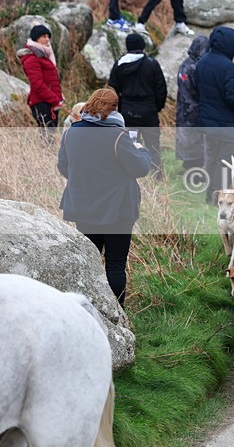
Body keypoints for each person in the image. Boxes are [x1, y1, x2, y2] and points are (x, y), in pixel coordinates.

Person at [57, 87, 152, 307]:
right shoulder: (119, 136)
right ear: (114, 108)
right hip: (118, 210)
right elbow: (140, 168)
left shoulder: (71, 131)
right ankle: (117, 317)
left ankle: (87, 312)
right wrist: (142, 149)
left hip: (83, 207)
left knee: (89, 263)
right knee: (115, 265)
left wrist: (84, 182)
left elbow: (64, 166)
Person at [196, 26, 234, 204]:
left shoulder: (202, 62)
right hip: (227, 125)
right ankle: (222, 199)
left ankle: (210, 197)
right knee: (225, 164)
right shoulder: (228, 66)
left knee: (211, 160)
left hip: (208, 124)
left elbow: (197, 91)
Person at [108, 32, 167, 180]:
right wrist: (157, 107)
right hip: (148, 113)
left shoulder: (119, 64)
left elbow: (112, 90)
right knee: (153, 145)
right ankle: (157, 175)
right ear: (143, 46)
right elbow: (161, 89)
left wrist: (120, 109)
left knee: (130, 144)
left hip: (128, 113)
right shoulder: (152, 64)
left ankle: (131, 174)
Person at [18, 24, 63, 141]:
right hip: (41, 103)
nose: (47, 39)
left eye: (48, 36)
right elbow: (37, 85)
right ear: (36, 39)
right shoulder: (31, 59)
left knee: (51, 138)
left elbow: (51, 81)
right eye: (43, 36)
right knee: (48, 140)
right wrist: (55, 99)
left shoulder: (44, 55)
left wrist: (58, 97)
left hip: (50, 102)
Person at [176, 34, 209, 171]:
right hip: (193, 109)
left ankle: (189, 167)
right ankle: (193, 171)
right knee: (195, 142)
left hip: (184, 109)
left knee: (188, 141)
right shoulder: (195, 67)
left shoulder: (185, 64)